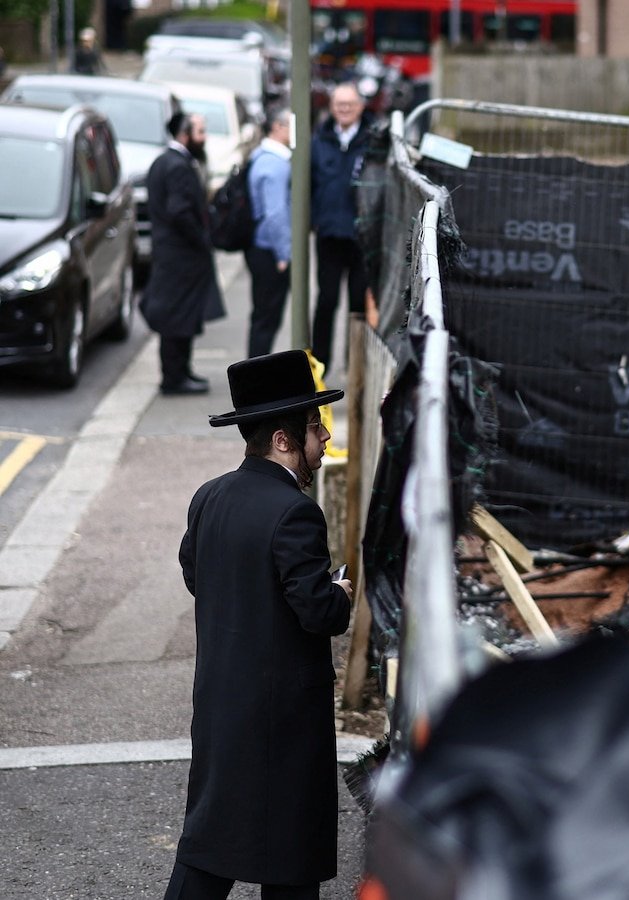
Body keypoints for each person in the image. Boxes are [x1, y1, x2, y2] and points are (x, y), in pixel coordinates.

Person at [164, 350, 354, 900]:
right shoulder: (296, 512)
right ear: (282, 439)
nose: (323, 442)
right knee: (290, 859)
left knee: (208, 847)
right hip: (285, 720)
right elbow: (318, 612)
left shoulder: (209, 497)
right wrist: (338, 591)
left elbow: (195, 573)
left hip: (222, 705)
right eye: (315, 429)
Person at [142, 112, 223, 395]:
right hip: (181, 257)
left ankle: (180, 372)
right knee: (177, 318)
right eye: (200, 131)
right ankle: (174, 378)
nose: (205, 137)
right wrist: (201, 240)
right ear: (185, 135)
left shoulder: (165, 161)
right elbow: (179, 212)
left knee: (180, 317)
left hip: (172, 254)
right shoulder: (178, 166)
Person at [309, 83, 372, 368]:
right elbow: (306, 184)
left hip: (361, 237)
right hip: (329, 234)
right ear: (331, 107)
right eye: (339, 104)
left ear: (360, 106)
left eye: (349, 104)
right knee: (326, 301)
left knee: (358, 304)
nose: (344, 109)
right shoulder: (319, 141)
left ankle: (355, 365)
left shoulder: (372, 140)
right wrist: (314, 221)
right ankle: (319, 365)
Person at [246, 110, 293, 358]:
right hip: (269, 250)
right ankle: (256, 377)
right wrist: (283, 254)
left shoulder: (261, 157)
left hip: (261, 247)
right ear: (278, 126)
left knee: (262, 316)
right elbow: (275, 214)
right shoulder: (275, 165)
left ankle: (256, 372)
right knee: (266, 318)